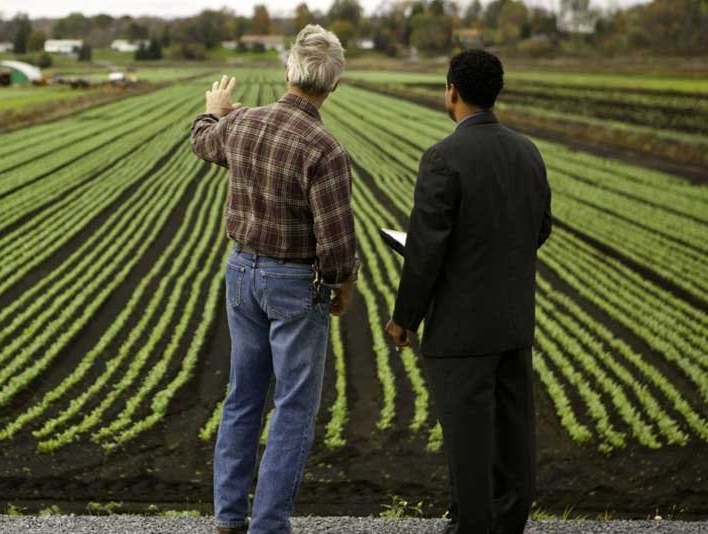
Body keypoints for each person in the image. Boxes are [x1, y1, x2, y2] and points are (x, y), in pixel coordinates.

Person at [189, 24, 361, 534]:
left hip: (241, 272)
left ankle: (228, 516)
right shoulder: (325, 149)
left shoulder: (244, 126)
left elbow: (203, 141)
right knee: (293, 406)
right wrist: (343, 283)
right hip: (294, 284)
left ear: (288, 71)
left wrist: (215, 109)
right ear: (333, 86)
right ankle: (268, 523)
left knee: (243, 394)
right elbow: (335, 236)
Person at [384, 49, 552, 534]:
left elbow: (426, 251)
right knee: (514, 439)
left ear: (451, 91)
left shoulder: (443, 158)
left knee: (468, 442)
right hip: (515, 322)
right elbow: (540, 227)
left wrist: (404, 320)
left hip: (460, 331)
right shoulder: (528, 151)